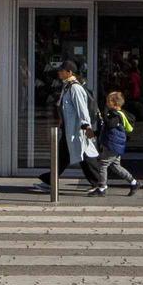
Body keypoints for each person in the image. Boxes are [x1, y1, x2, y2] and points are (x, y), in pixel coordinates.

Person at [33, 60, 101, 193]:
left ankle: (99, 183)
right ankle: (50, 181)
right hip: (69, 129)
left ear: (69, 72)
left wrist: (86, 126)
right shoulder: (67, 86)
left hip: (77, 129)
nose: (59, 72)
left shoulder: (75, 88)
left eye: (61, 70)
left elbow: (82, 109)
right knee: (64, 156)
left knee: (84, 156)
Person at [90, 89, 140, 197]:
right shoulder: (113, 114)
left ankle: (102, 187)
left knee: (103, 164)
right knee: (115, 166)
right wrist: (96, 133)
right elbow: (107, 129)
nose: (106, 103)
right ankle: (134, 182)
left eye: (109, 101)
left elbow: (110, 125)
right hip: (113, 144)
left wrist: (103, 115)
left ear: (115, 104)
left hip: (113, 145)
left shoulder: (117, 115)